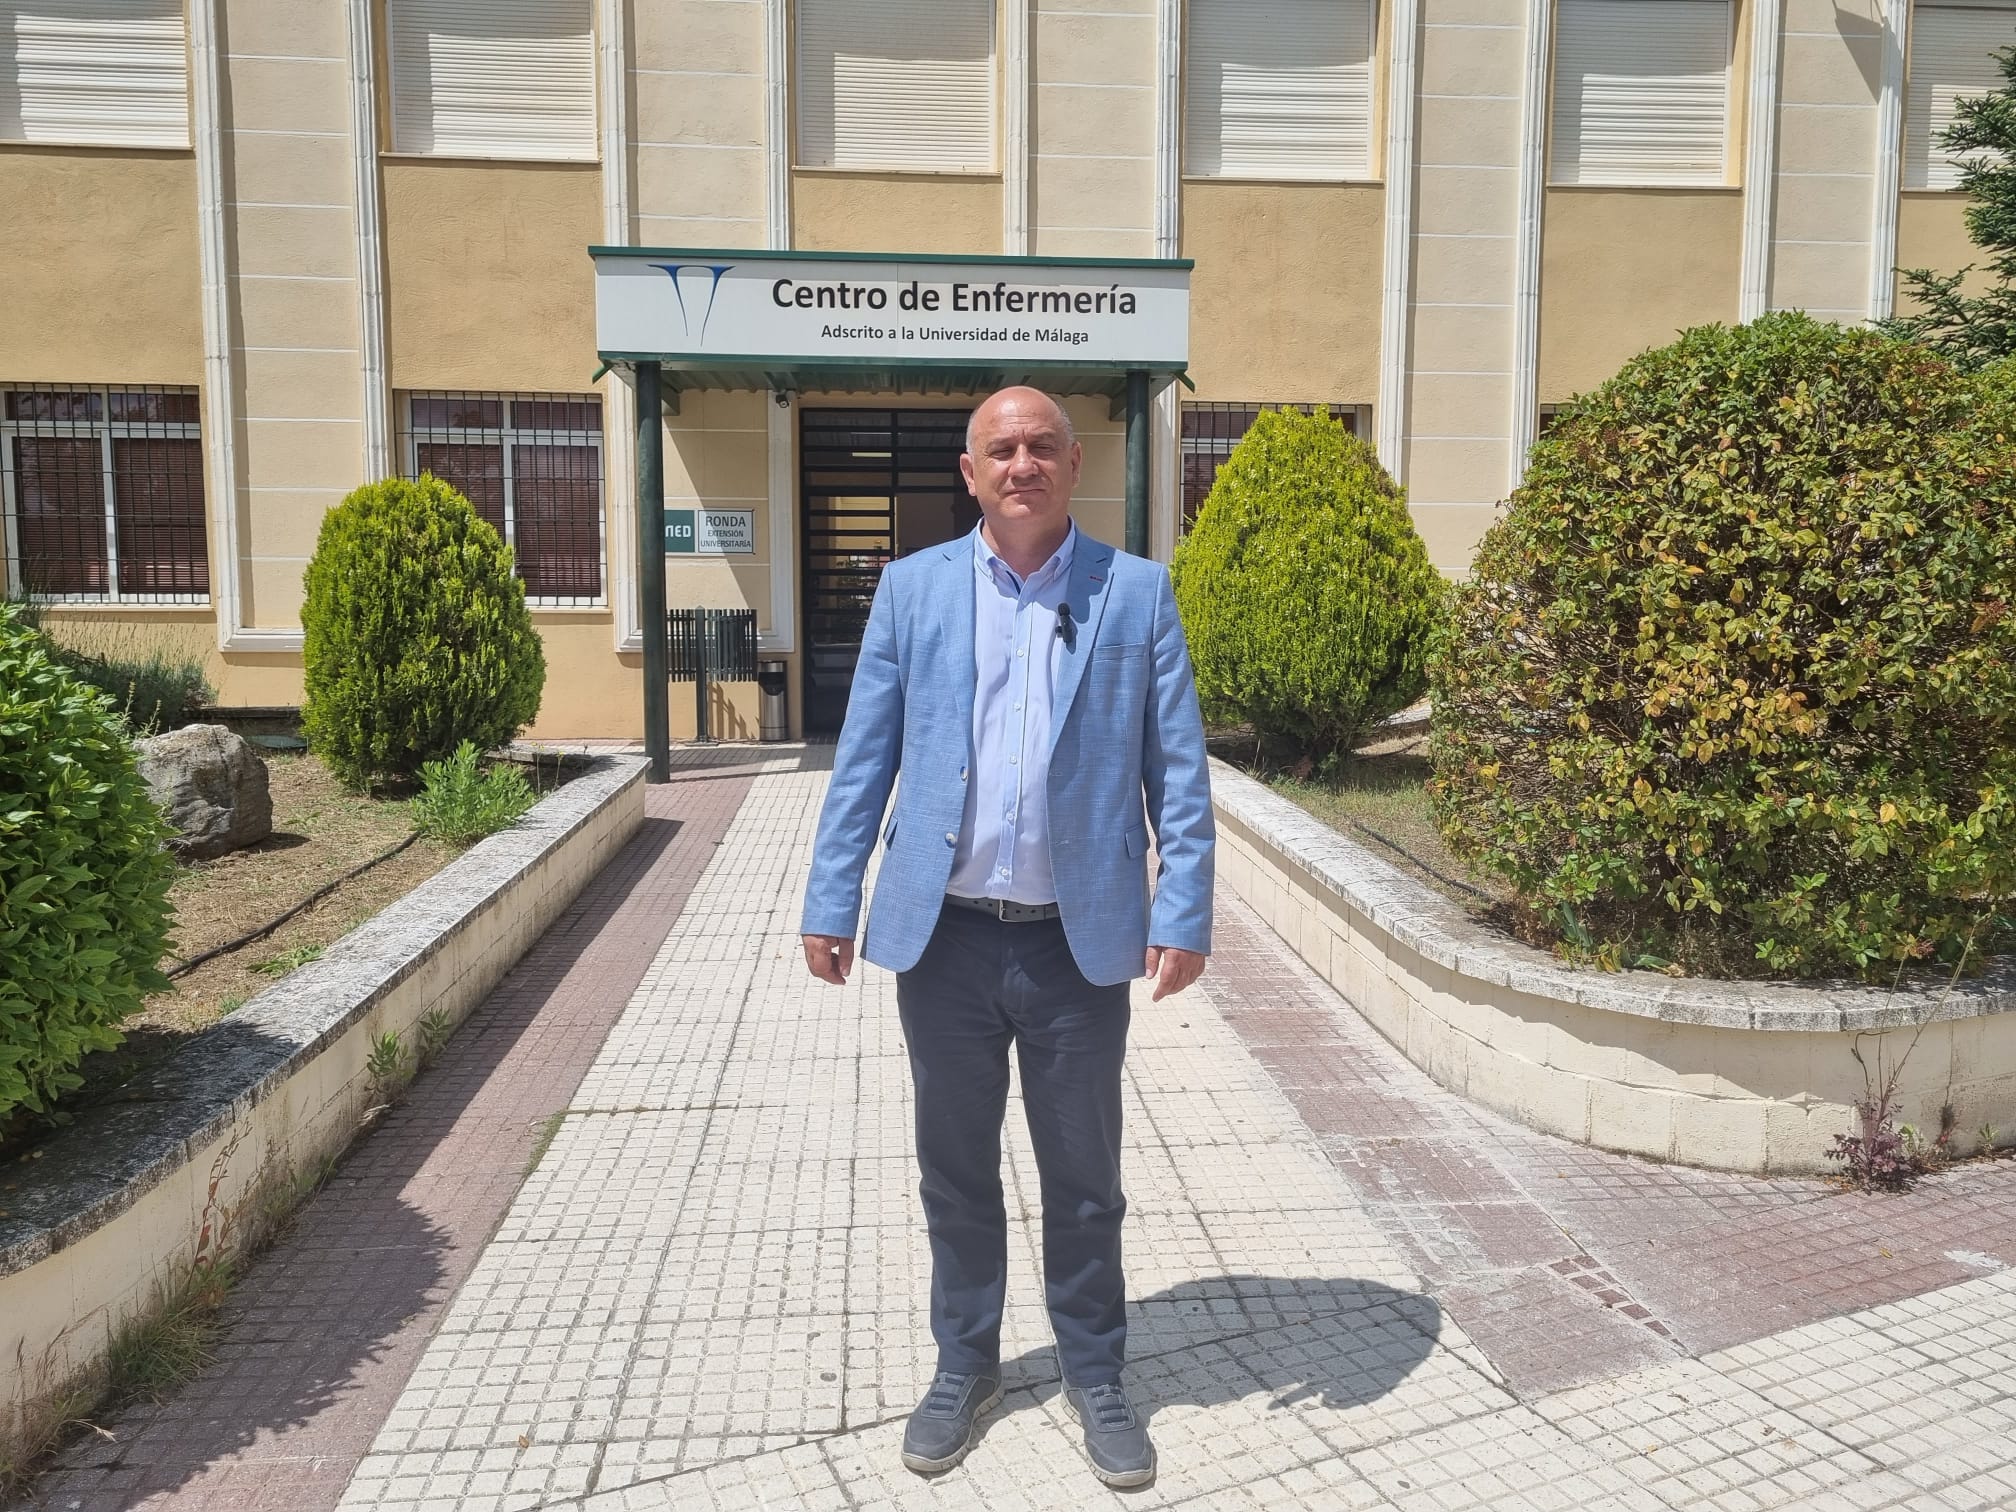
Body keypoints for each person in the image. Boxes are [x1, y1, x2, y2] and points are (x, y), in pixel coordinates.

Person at [799, 386, 1215, 1488]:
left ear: (1074, 466)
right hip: (946, 941)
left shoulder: (1135, 595)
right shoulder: (912, 592)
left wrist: (1182, 911)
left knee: (1084, 1178)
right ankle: (964, 1366)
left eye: (1041, 447)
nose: (1022, 463)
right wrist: (830, 897)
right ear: (971, 472)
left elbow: (1178, 770)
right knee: (955, 1171)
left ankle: (1099, 1373)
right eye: (1002, 449)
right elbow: (864, 759)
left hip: (1076, 946)